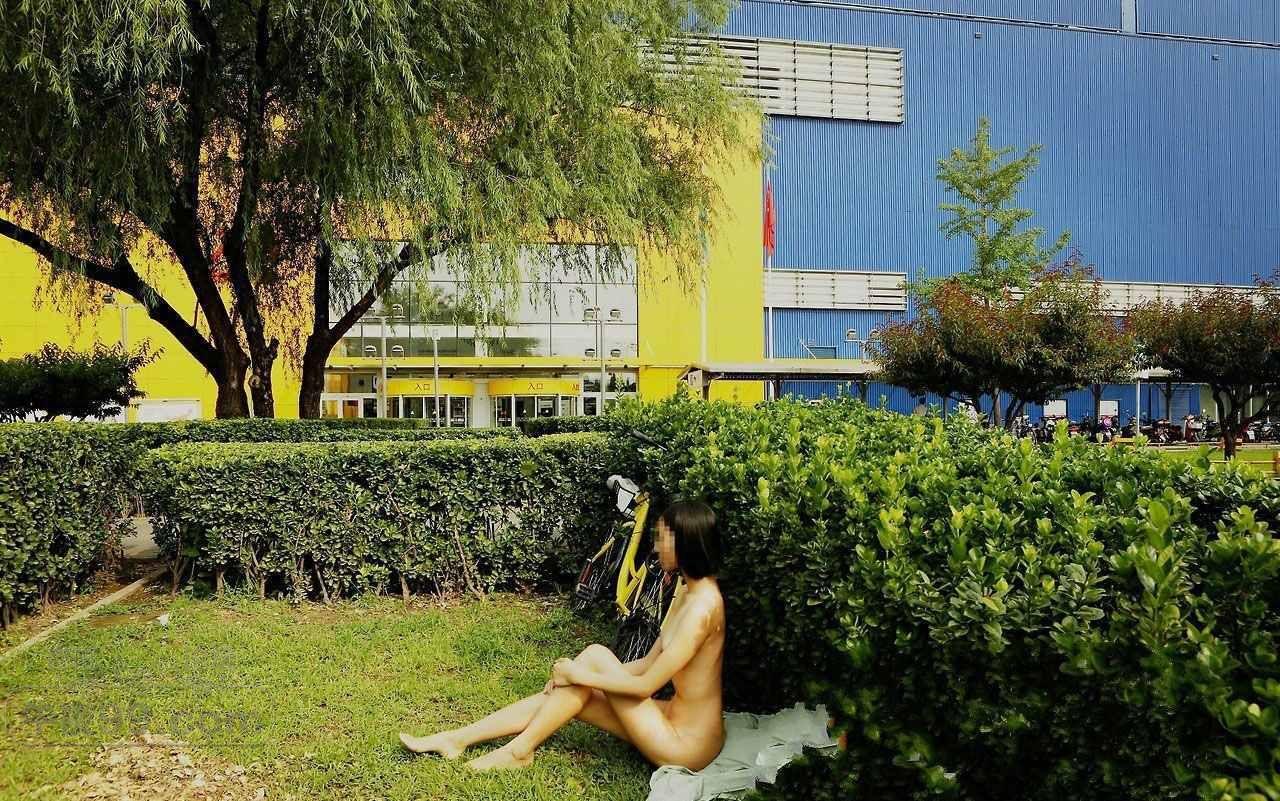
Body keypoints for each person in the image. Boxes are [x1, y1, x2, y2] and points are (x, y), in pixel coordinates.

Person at [399, 500, 727, 772]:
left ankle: (517, 751)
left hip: (685, 746)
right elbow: (647, 663)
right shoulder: (687, 592)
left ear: (684, 543)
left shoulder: (701, 610)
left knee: (593, 658)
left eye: (662, 539)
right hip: (669, 717)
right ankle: (458, 739)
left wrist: (578, 674)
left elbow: (645, 686)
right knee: (576, 686)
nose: (655, 547)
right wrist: (578, 679)